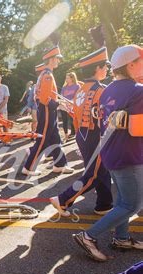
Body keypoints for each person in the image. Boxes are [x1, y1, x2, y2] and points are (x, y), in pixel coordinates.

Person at [72, 44, 143, 261]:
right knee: (133, 204)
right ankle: (88, 236)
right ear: (131, 65)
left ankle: (121, 238)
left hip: (111, 153)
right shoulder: (138, 90)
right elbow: (136, 129)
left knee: (122, 199)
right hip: (129, 155)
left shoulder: (108, 89)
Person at [50, 47, 113, 217]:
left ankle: (104, 204)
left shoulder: (80, 89)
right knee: (93, 174)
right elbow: (104, 119)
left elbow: (75, 117)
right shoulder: (102, 90)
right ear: (97, 69)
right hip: (96, 136)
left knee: (101, 170)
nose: (107, 69)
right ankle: (63, 199)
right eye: (105, 66)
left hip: (82, 135)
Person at [22, 46, 74, 176]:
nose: (59, 61)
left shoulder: (46, 74)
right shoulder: (47, 75)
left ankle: (60, 164)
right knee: (42, 139)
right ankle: (29, 167)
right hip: (46, 110)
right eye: (57, 59)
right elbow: (45, 99)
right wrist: (59, 104)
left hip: (48, 111)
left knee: (55, 137)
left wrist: (59, 103)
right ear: (51, 59)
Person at [59, 72, 79, 141]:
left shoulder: (77, 86)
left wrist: (71, 102)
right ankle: (66, 135)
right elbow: (61, 96)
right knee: (64, 120)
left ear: (72, 78)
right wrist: (62, 101)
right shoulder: (64, 87)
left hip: (72, 106)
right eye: (66, 78)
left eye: (68, 78)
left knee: (73, 120)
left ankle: (75, 134)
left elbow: (78, 96)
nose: (66, 79)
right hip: (64, 105)